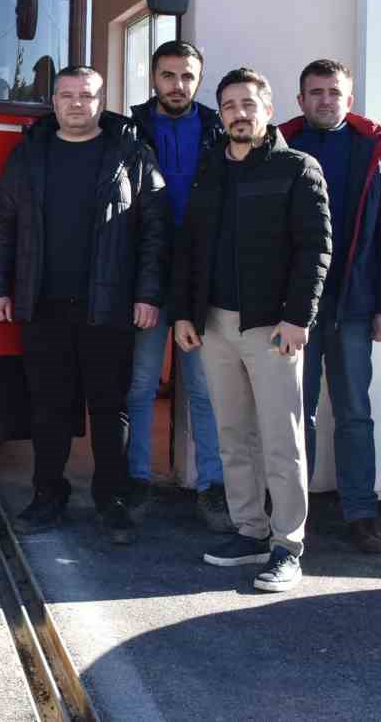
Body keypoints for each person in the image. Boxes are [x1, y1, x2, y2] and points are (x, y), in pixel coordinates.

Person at [0, 65, 170, 543]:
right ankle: (48, 496)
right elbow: (3, 223)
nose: (75, 104)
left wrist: (148, 294)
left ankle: (112, 501)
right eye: (66, 95)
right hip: (43, 304)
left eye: (86, 96)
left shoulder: (130, 153)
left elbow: (155, 231)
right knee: (48, 408)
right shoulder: (29, 154)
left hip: (108, 306)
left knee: (111, 409)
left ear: (101, 100)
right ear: (53, 102)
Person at [171, 68, 330, 592]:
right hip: (214, 325)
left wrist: (297, 317)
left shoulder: (297, 168)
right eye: (230, 105)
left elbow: (315, 249)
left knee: (282, 442)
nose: (240, 113)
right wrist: (184, 314)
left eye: (249, 103)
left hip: (272, 328)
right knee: (233, 435)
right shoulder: (209, 170)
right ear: (221, 113)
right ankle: (249, 531)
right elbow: (190, 250)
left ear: (268, 108)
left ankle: (287, 546)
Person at [278, 59, 381, 553]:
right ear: (300, 100)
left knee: (355, 412)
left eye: (334, 92)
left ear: (349, 100)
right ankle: (294, 514)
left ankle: (361, 511)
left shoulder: (376, 153)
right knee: (298, 412)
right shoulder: (281, 147)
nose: (325, 100)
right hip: (294, 309)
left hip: (354, 305)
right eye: (315, 92)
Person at [128, 39, 231, 532]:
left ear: (199, 78)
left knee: (205, 390)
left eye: (187, 76)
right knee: (142, 384)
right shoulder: (129, 127)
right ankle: (136, 480)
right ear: (154, 78)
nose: (178, 85)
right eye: (168, 75)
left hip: (203, 277)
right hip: (146, 273)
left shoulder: (217, 128)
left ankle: (213, 486)